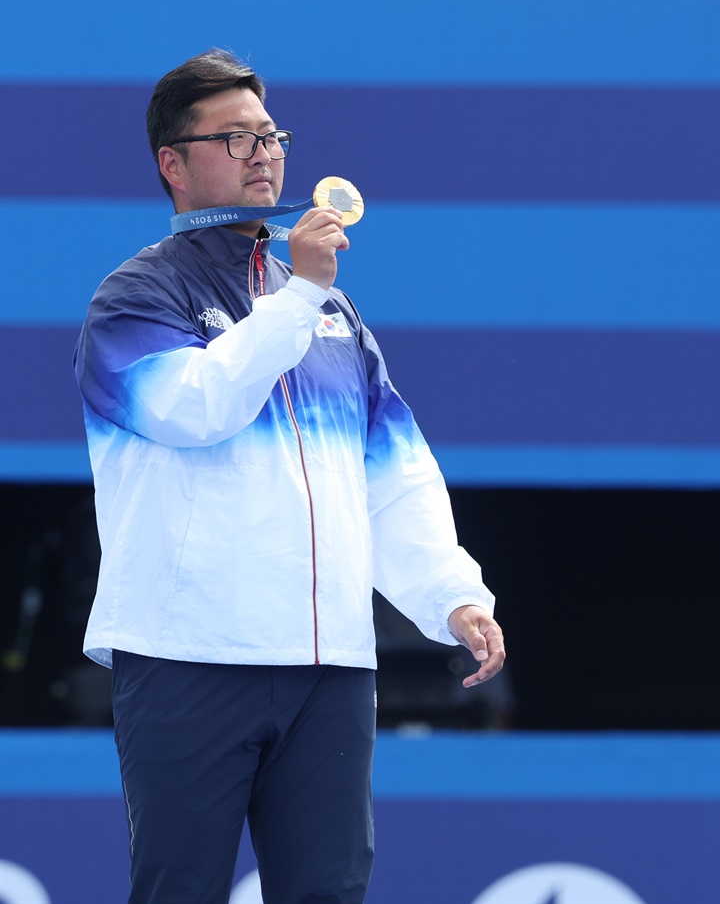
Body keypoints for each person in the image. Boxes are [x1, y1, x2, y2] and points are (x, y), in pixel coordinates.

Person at [73, 49, 506, 903]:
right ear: (174, 163)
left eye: (270, 135)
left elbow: (392, 471)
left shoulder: (332, 313)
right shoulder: (133, 300)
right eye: (234, 138)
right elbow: (193, 409)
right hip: (187, 653)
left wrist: (452, 592)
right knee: (180, 890)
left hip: (331, 665)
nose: (264, 153)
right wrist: (298, 299)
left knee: (330, 894)